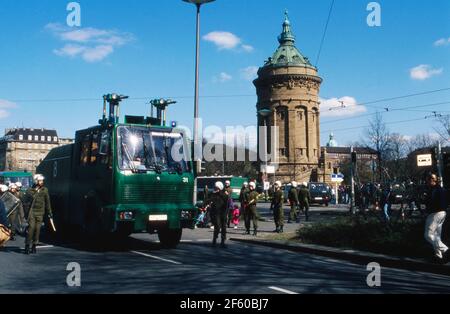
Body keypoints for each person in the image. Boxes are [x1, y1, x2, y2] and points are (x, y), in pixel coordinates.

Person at [424, 173, 449, 263]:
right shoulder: (440, 189)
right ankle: (438, 256)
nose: (426, 182)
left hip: (435, 213)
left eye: (428, 180)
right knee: (436, 236)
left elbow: (432, 202)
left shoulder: (435, 190)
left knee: (428, 235)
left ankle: (445, 249)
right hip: (442, 213)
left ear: (432, 180)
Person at [25, 175, 53, 255]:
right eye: (40, 181)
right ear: (36, 181)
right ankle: (27, 245)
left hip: (40, 213)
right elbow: (25, 201)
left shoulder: (45, 190)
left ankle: (34, 245)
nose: (42, 182)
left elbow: (48, 202)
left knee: (37, 229)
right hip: (32, 213)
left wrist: (50, 212)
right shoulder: (30, 190)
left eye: (42, 181)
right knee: (31, 228)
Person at [209, 181, 229, 248]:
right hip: (216, 213)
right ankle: (214, 239)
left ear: (220, 188)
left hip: (223, 213)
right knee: (217, 226)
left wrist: (220, 193)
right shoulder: (213, 194)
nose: (216, 189)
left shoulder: (224, 194)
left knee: (223, 227)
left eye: (217, 188)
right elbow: (209, 199)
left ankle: (222, 241)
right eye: (215, 188)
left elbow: (226, 201)